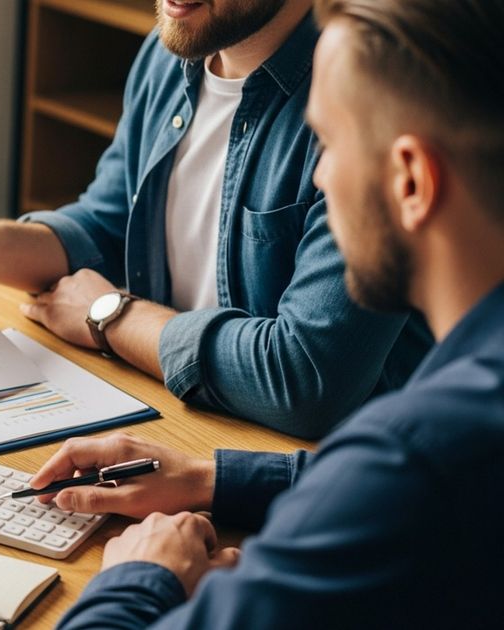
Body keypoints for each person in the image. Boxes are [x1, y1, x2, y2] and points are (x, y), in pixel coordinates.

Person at [38, 0, 504, 626]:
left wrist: (138, 577)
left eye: (330, 142)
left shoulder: (409, 465)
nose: (320, 179)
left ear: (411, 182)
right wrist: (212, 478)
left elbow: (386, 480)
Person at [0, 0, 432, 439]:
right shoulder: (172, 49)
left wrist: (112, 318)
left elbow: (307, 381)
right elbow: (111, 225)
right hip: (184, 420)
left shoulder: (367, 101)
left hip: (311, 475)